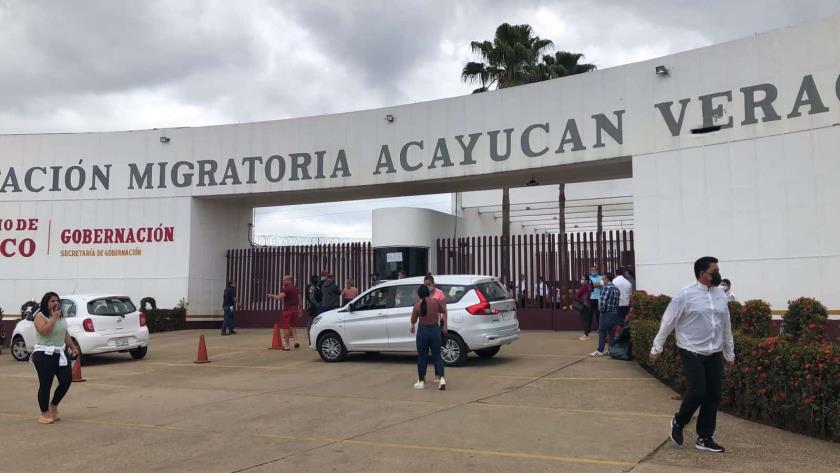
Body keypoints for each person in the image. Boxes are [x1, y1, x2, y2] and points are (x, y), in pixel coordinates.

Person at [649, 256, 735, 454]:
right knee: (698, 391)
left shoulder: (721, 295)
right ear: (702, 274)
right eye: (714, 271)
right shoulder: (686, 295)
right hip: (691, 349)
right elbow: (668, 321)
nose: (718, 274)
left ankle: (705, 438)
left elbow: (726, 326)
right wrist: (656, 348)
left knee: (713, 395)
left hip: (714, 351)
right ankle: (679, 422)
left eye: (718, 270)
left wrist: (729, 355)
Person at [31, 291, 80, 424]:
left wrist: (72, 346)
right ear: (46, 303)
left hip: (60, 352)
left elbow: (65, 333)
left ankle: (53, 406)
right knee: (45, 384)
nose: (56, 303)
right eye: (52, 301)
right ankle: (44, 413)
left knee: (66, 380)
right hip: (44, 353)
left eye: (57, 300)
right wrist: (53, 318)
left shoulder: (60, 316)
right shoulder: (39, 316)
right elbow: (44, 331)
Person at [410, 285, 448, 390]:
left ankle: (421, 381)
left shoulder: (417, 305)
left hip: (423, 333)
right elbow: (443, 310)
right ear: (428, 293)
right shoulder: (435, 302)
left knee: (422, 357)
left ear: (419, 295)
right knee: (437, 356)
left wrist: (413, 325)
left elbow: (413, 320)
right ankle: (442, 379)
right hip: (435, 331)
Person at [267, 275, 301, 351]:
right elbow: (299, 299)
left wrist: (271, 296)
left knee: (286, 327)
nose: (283, 282)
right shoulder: (296, 289)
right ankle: (296, 341)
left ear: (289, 280)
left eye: (284, 280)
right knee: (293, 326)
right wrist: (300, 309)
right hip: (295, 309)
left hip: (288, 310)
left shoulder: (286, 289)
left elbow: (279, 297)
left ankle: (287, 346)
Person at [590, 272, 619, 357]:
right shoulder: (616, 288)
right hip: (614, 312)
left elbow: (603, 301)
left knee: (602, 331)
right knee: (611, 331)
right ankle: (611, 349)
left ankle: (600, 350)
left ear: (607, 279)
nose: (602, 280)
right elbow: (617, 302)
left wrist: (601, 311)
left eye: (603, 279)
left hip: (606, 313)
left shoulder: (606, 288)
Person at [576, 276, 593, 341]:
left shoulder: (584, 285)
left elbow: (579, 293)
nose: (581, 280)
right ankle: (586, 334)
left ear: (586, 280)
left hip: (584, 304)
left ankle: (586, 335)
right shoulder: (589, 285)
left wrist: (578, 293)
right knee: (586, 319)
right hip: (588, 304)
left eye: (583, 279)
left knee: (584, 320)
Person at [588, 265, 604, 329]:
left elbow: (602, 285)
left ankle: (599, 328)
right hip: (591, 298)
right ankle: (588, 329)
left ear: (597, 271)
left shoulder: (601, 277)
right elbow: (588, 286)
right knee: (589, 314)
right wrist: (598, 284)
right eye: (592, 270)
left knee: (598, 314)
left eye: (594, 270)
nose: (593, 271)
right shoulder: (589, 277)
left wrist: (593, 285)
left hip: (599, 298)